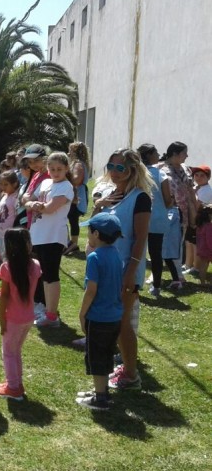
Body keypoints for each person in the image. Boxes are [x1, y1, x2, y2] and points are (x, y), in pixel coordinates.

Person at [90, 149, 152, 391]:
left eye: (120, 168)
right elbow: (94, 227)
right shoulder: (110, 193)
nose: (114, 172)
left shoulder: (140, 198)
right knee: (115, 323)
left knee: (121, 323)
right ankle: (127, 370)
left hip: (125, 269)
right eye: (111, 166)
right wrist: (98, 206)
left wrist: (130, 272)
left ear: (132, 170)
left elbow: (141, 237)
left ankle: (131, 375)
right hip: (105, 267)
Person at [74, 213, 124, 410]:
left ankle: (100, 399)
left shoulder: (95, 258)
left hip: (98, 317)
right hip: (115, 316)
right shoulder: (116, 254)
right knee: (107, 354)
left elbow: (91, 290)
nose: (87, 234)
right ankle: (102, 390)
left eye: (89, 231)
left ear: (96, 234)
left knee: (96, 357)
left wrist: (82, 313)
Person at [24, 152, 74, 328]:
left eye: (59, 169)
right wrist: (32, 204)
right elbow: (28, 201)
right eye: (52, 169)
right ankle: (45, 309)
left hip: (53, 237)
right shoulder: (45, 183)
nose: (55, 172)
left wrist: (35, 206)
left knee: (51, 275)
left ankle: (52, 316)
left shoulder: (66, 187)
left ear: (66, 168)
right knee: (42, 275)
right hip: (38, 235)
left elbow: (50, 208)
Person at [0, 228, 41, 400]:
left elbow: (4, 296)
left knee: (8, 352)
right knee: (16, 351)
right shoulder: (35, 265)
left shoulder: (7, 267)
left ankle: (13, 388)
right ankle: (16, 383)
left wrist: (1, 319)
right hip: (28, 317)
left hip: (13, 319)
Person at [138, 144, 177, 297]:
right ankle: (156, 286)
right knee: (156, 254)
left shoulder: (137, 172)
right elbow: (167, 200)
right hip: (158, 217)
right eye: (156, 152)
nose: (159, 154)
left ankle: (136, 282)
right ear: (149, 155)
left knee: (137, 251)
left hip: (139, 216)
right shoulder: (160, 174)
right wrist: (172, 201)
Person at [159, 142, 195, 288]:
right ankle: (157, 273)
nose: (187, 155)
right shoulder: (161, 169)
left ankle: (178, 274)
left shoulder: (185, 169)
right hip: (166, 212)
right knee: (162, 243)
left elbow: (191, 191)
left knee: (178, 243)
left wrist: (194, 210)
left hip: (184, 213)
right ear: (174, 154)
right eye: (184, 153)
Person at [65, 142, 91, 255]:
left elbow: (76, 180)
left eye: (70, 151)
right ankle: (72, 243)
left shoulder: (78, 164)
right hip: (76, 195)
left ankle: (73, 244)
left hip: (76, 196)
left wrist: (65, 178)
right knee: (72, 220)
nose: (68, 153)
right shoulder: (79, 163)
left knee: (73, 219)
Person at [186, 165, 212, 275]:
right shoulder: (198, 188)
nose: (198, 177)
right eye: (196, 175)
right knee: (189, 242)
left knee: (197, 244)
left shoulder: (207, 190)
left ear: (208, 177)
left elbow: (197, 206)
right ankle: (188, 264)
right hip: (193, 219)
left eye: (202, 175)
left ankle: (196, 267)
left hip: (200, 221)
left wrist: (191, 195)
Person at [0, 171, 21, 262]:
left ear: (14, 184)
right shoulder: (4, 196)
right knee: (2, 256)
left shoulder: (15, 197)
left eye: (6, 184)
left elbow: (17, 214)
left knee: (9, 256)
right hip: (0, 231)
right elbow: (3, 210)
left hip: (9, 232)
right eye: (1, 184)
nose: (3, 187)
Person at [196, 205, 212, 286]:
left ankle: (202, 282)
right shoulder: (209, 226)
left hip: (201, 249)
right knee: (205, 266)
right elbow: (210, 240)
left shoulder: (200, 226)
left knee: (203, 266)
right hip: (208, 249)